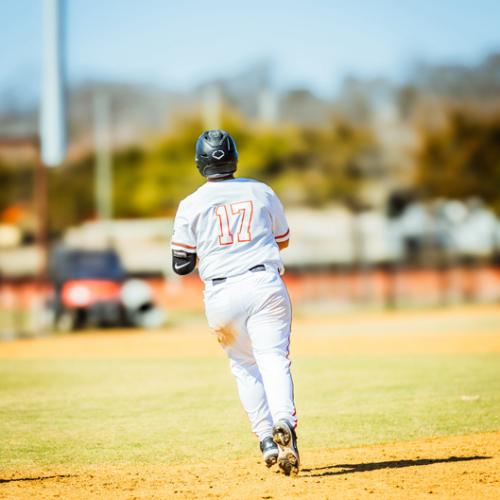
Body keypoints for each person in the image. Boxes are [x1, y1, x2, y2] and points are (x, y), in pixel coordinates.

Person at [171, 129, 299, 475]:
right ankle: (285, 421)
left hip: (221, 292)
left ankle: (265, 439)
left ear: (199, 164)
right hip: (263, 282)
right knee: (273, 357)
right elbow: (282, 239)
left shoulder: (190, 204)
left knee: (244, 365)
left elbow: (181, 264)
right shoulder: (261, 190)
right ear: (234, 158)